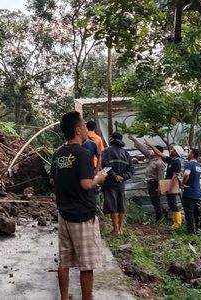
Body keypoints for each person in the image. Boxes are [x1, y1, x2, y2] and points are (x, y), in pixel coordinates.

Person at [49, 111, 107, 300]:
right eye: (83, 126)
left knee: (64, 261)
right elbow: (86, 184)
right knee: (87, 264)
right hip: (82, 215)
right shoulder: (83, 153)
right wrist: (99, 178)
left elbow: (52, 181)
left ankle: (64, 298)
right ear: (76, 130)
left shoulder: (58, 153)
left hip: (64, 213)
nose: (86, 129)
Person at [100, 132, 134, 235]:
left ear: (111, 139)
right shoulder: (126, 154)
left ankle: (115, 229)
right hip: (121, 184)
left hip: (110, 183)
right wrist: (123, 177)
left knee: (112, 206)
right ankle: (121, 229)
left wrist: (115, 176)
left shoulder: (105, 151)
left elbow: (104, 166)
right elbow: (131, 169)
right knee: (121, 206)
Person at [146, 141, 185, 228]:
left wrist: (170, 188)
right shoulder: (171, 160)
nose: (171, 150)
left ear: (176, 153)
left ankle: (178, 223)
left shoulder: (177, 163)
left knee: (172, 203)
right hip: (170, 183)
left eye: (173, 150)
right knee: (171, 203)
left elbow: (175, 177)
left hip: (173, 184)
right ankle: (175, 221)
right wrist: (151, 145)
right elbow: (159, 153)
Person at [129, 135, 166, 221]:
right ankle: (162, 216)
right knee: (154, 201)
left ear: (158, 152)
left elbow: (161, 177)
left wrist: (159, 187)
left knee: (156, 201)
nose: (151, 152)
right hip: (150, 182)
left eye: (153, 150)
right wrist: (135, 140)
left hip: (155, 183)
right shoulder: (151, 158)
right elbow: (142, 149)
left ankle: (160, 219)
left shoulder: (160, 162)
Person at [182, 148, 201, 234]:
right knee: (197, 213)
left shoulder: (189, 164)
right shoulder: (199, 165)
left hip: (189, 192)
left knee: (189, 213)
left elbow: (186, 174)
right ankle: (199, 230)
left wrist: (182, 184)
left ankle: (190, 232)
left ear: (193, 154)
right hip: (197, 192)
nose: (188, 154)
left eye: (189, 152)